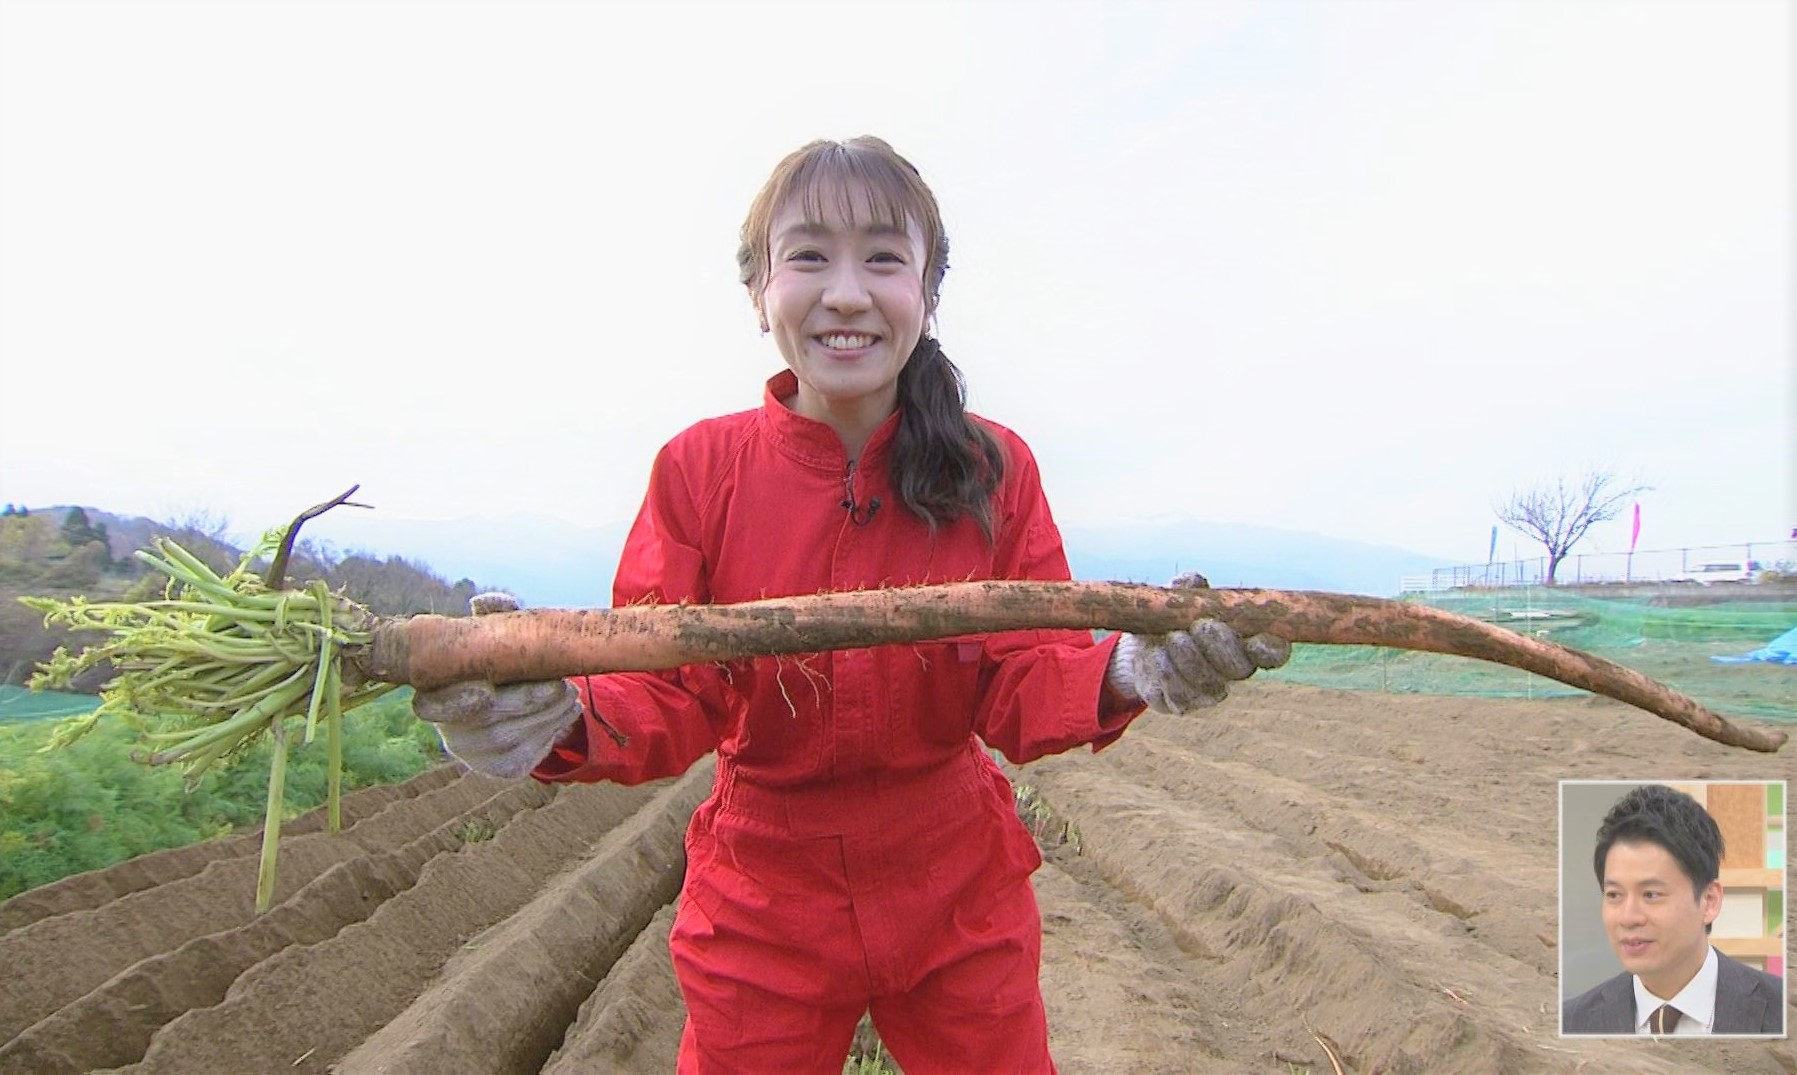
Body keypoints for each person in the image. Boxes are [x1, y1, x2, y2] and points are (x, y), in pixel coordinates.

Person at [412, 136, 1291, 1074]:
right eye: (807, 256)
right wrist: (558, 717)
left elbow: (1023, 672)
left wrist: (1127, 665)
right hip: (763, 890)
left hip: (956, 877)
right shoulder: (698, 472)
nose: (845, 292)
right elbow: (666, 687)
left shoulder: (994, 468)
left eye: (882, 257)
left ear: (927, 292)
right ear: (758, 292)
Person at [1561, 784, 1784, 1036]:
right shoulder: (1573, 1022)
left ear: (1709, 901)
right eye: (1614, 895)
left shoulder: (1780, 1010)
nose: (1628, 917)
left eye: (1651, 895)